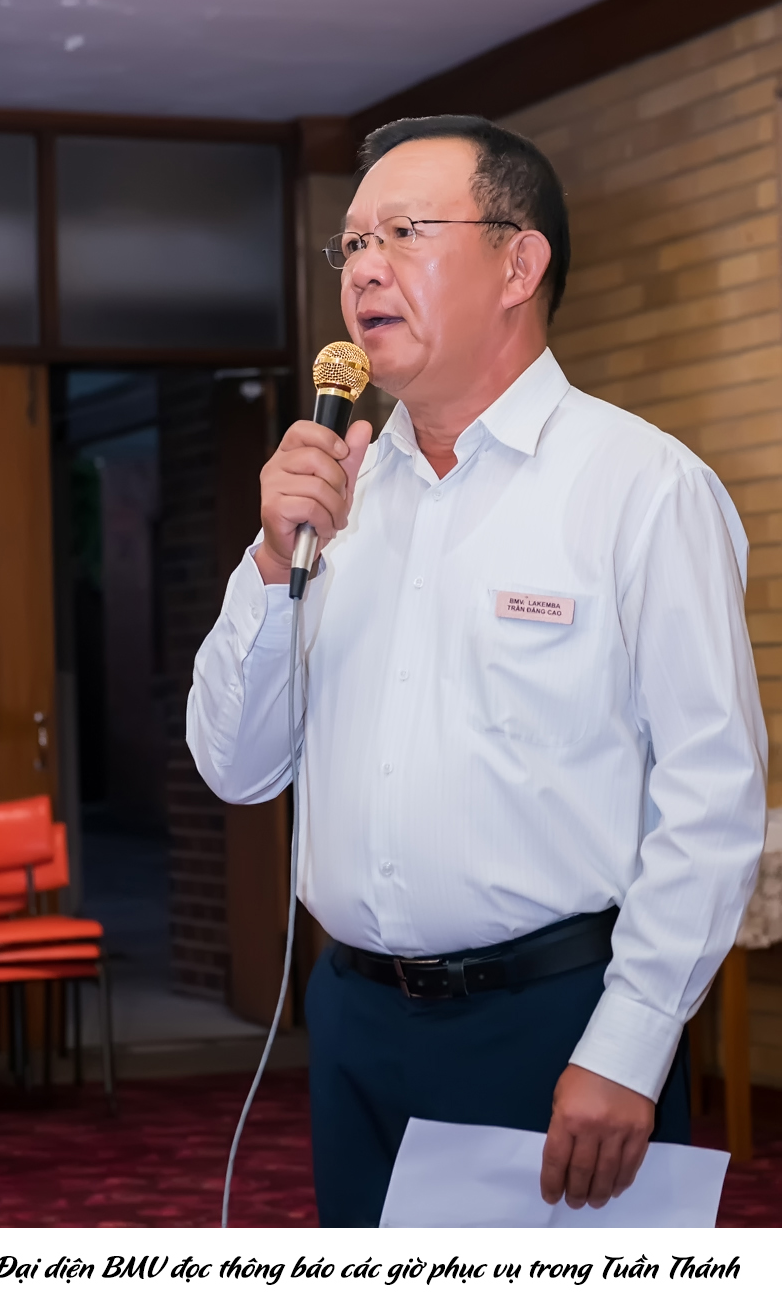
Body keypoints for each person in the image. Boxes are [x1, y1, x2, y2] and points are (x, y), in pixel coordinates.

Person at [187, 115, 766, 1228]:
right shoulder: (334, 495)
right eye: (352, 243)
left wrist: (629, 1046)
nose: (364, 269)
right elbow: (236, 767)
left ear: (517, 263)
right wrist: (269, 560)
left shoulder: (641, 487)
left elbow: (711, 796)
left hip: (553, 1023)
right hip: (354, 1021)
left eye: (403, 232)